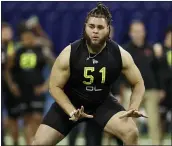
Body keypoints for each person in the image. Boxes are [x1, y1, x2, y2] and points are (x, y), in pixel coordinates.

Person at [32, 3, 146, 145]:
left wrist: (133, 106)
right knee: (39, 143)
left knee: (131, 132)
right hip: (71, 101)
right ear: (85, 27)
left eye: (100, 27)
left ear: (108, 29)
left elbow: (138, 82)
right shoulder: (70, 53)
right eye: (91, 26)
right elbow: (54, 86)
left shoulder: (120, 54)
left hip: (101, 102)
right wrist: (71, 111)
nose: (95, 31)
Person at [6, 29, 54, 145]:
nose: (27, 39)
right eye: (24, 37)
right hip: (23, 91)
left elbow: (55, 65)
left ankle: (37, 141)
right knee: (27, 119)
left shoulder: (41, 50)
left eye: (29, 37)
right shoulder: (17, 52)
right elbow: (7, 69)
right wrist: (12, 85)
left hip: (37, 90)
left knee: (37, 118)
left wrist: (45, 85)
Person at [122, 20, 162, 144]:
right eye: (135, 31)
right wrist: (121, 89)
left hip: (151, 91)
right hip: (132, 91)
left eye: (140, 31)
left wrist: (161, 89)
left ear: (144, 33)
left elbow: (158, 71)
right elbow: (119, 72)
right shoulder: (125, 50)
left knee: (154, 123)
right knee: (131, 125)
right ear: (130, 33)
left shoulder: (152, 49)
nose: (138, 34)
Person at [2, 22, 21, 146]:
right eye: (4, 32)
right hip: (5, 86)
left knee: (13, 116)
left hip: (11, 87)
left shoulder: (15, 46)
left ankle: (14, 142)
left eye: (9, 32)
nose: (7, 34)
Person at [153, 26, 172, 144]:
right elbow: (157, 71)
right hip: (164, 91)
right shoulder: (160, 51)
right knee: (161, 120)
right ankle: (159, 141)